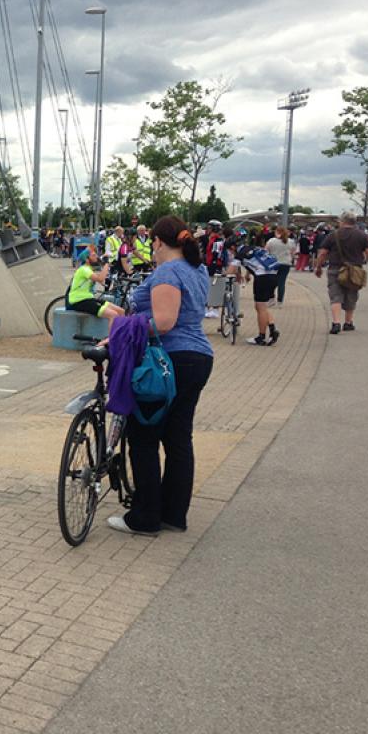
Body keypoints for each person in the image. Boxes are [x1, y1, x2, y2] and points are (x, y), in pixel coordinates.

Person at [108, 216, 213, 536]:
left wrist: (126, 332)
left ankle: (145, 516)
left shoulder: (168, 270)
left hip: (167, 359)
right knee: (178, 438)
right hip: (198, 357)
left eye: (151, 244)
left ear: (157, 242)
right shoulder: (199, 269)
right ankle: (173, 514)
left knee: (143, 436)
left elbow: (165, 322)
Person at [313, 211, 368, 334]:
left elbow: (322, 253)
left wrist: (318, 267)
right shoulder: (362, 235)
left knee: (335, 296)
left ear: (342, 221)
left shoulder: (333, 235)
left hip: (335, 269)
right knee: (351, 295)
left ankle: (336, 323)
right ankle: (348, 322)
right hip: (355, 270)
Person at [235, 243, 281, 346]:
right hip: (273, 276)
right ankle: (272, 329)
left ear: (232, 248)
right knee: (262, 307)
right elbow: (255, 263)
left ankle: (261, 337)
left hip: (262, 278)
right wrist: (247, 274)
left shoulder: (239, 254)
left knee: (260, 307)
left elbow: (231, 269)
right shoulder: (254, 248)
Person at [66, 245, 125, 320]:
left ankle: (124, 331)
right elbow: (100, 279)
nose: (96, 257)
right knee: (113, 315)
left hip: (88, 298)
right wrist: (106, 263)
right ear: (87, 259)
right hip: (79, 300)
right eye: (93, 255)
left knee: (121, 311)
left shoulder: (89, 269)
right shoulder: (84, 269)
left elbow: (100, 279)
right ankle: (113, 332)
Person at [265, 226, 294, 305]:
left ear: (276, 232)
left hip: (273, 263)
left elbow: (266, 251)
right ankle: (280, 301)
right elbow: (292, 252)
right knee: (282, 282)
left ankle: (271, 298)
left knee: (271, 281)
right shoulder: (290, 241)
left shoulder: (271, 241)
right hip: (286, 263)